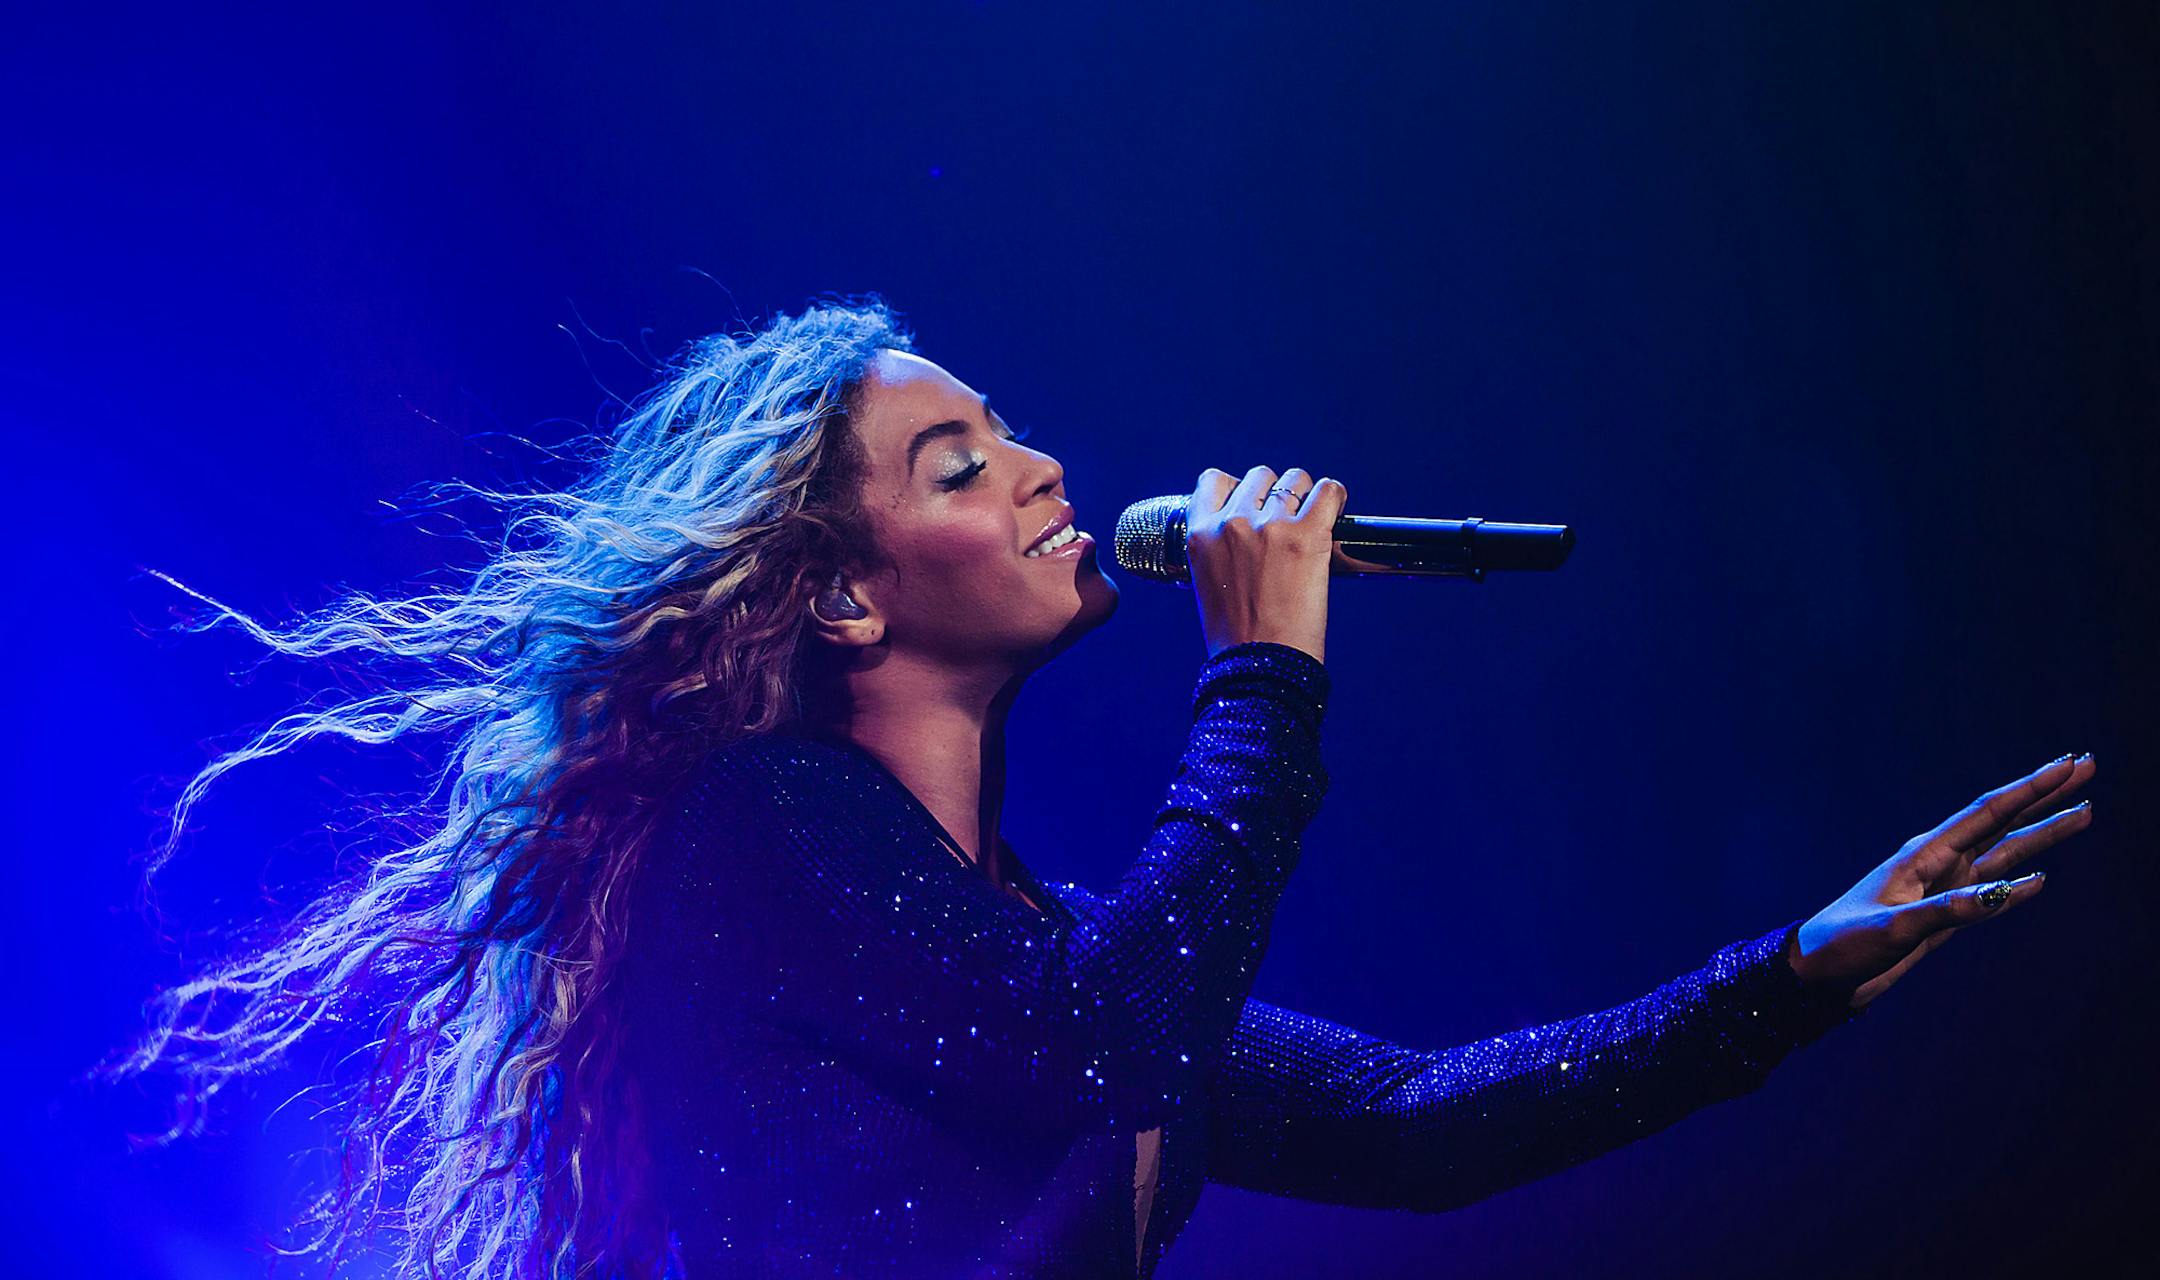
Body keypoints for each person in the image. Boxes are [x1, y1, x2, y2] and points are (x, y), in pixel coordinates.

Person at [107, 298, 2096, 1280]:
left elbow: (1410, 1122)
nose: (1044, 466)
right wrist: (1267, 671)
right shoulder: (766, 835)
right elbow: (1113, 1038)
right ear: (846, 597)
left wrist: (1796, 971)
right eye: (958, 465)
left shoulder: (1016, 940)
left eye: (1012, 430)